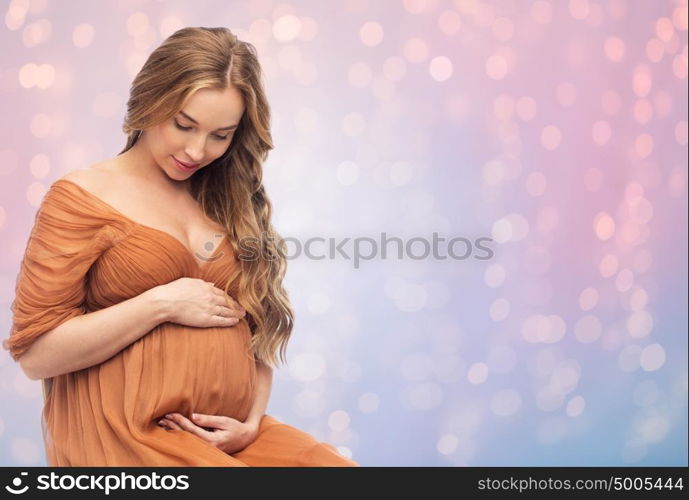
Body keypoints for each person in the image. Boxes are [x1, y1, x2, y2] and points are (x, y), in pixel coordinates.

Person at [3, 26, 358, 467]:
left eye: (220, 135)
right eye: (183, 125)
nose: (196, 150)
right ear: (152, 102)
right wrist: (160, 304)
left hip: (231, 437)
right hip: (127, 432)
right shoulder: (81, 196)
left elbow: (256, 334)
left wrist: (250, 420)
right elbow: (36, 355)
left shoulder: (227, 201)